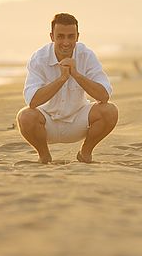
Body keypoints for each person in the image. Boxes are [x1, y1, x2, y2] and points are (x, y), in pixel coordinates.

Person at [16, 13, 118, 164]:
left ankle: (85, 153)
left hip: (79, 120)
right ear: (52, 36)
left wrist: (76, 75)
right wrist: (62, 79)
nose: (66, 42)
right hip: (47, 122)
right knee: (25, 116)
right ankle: (44, 156)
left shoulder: (86, 55)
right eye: (61, 36)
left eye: (71, 36)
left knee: (110, 111)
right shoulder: (39, 58)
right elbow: (32, 101)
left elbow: (103, 96)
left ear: (77, 36)